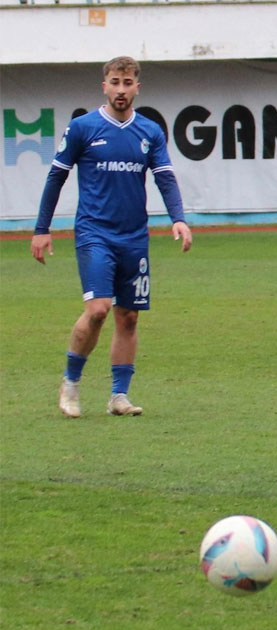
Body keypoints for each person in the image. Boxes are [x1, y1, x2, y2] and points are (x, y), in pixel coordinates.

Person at [31, 56, 193, 418]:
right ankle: (71, 383)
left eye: (127, 83)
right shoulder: (83, 128)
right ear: (104, 86)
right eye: (115, 82)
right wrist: (42, 229)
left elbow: (165, 177)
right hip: (94, 233)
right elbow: (56, 177)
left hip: (134, 237)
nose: (121, 90)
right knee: (99, 309)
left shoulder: (149, 131)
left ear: (138, 87)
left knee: (128, 317)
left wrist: (178, 218)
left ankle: (119, 396)